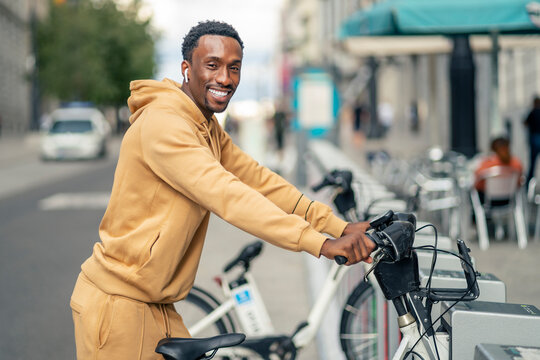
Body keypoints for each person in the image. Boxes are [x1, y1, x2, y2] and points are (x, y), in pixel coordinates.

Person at [70, 20, 375, 360]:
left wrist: (338, 226)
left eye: (234, 68)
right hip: (119, 305)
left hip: (157, 306)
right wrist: (320, 243)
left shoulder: (204, 126)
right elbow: (228, 195)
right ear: (187, 69)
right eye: (212, 65)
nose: (225, 79)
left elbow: (259, 181)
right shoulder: (164, 124)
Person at [474, 136, 523, 205]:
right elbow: (519, 182)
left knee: (475, 194)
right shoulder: (516, 163)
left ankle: (477, 215)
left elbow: (477, 182)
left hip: (488, 201)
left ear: (493, 150)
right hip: (509, 201)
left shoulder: (487, 164)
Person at [524, 96, 540, 183]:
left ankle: (529, 183)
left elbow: (525, 123)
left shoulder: (532, 112)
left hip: (534, 139)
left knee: (533, 163)